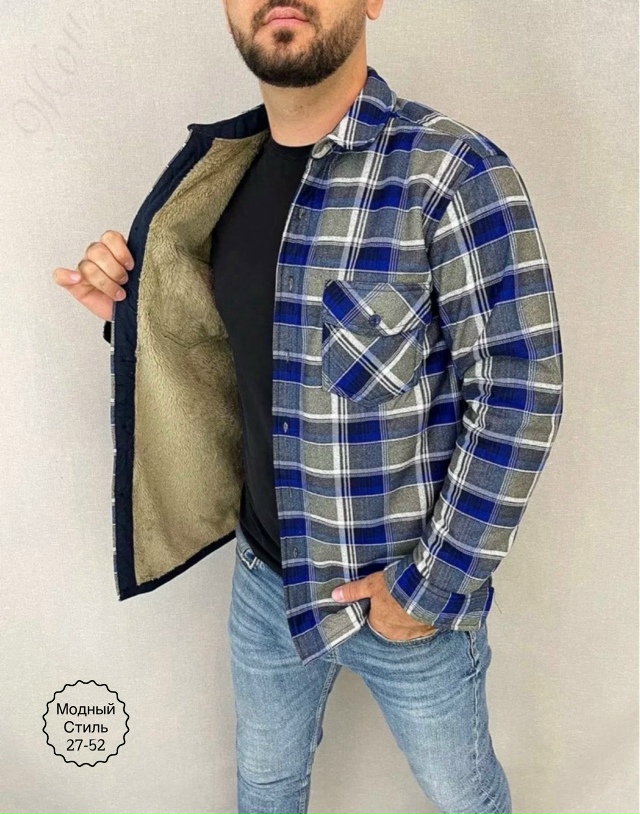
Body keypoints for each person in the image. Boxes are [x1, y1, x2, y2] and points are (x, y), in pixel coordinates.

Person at [53, 1, 564, 812]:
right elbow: (237, 362)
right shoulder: (219, 178)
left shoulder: (452, 173)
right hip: (265, 580)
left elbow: (521, 392)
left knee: (465, 796)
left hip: (407, 594)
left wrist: (429, 589)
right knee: (266, 788)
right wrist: (129, 319)